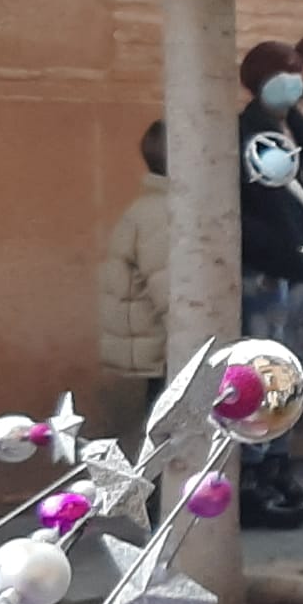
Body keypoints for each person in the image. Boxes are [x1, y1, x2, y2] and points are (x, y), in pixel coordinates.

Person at [237, 41, 303, 527]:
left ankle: (278, 464)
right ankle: (253, 474)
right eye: (281, 72)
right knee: (263, 373)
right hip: (267, 271)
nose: (292, 79)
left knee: (293, 375)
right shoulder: (246, 134)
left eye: (295, 70)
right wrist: (273, 249)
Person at [98, 120, 170, 410]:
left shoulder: (151, 206)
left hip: (154, 348)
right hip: (165, 352)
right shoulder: (164, 213)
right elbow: (173, 295)